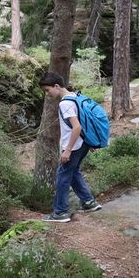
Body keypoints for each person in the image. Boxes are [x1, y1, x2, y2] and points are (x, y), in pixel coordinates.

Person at [40, 72, 102, 222]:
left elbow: (76, 127)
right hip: (83, 143)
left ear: (56, 86)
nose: (47, 95)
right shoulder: (76, 97)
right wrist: (90, 141)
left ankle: (60, 212)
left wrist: (67, 150)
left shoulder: (65, 103)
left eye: (47, 90)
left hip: (73, 146)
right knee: (73, 172)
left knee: (62, 176)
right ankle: (88, 202)